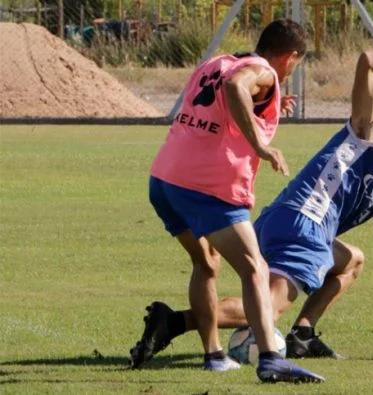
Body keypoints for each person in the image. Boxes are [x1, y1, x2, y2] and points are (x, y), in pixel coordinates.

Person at [131, 26, 373, 364]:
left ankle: (303, 332)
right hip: (303, 225)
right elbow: (368, 60)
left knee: (352, 260)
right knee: (266, 307)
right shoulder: (368, 133)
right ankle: (175, 322)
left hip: (291, 222)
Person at [130, 19, 324, 383]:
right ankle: (271, 358)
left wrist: (260, 109)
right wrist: (259, 145)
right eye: (296, 63)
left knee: (206, 263)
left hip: (165, 179)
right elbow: (237, 87)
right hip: (207, 188)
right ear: (291, 56)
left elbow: (222, 98)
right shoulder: (262, 72)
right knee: (255, 268)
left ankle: (214, 355)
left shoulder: (218, 62)